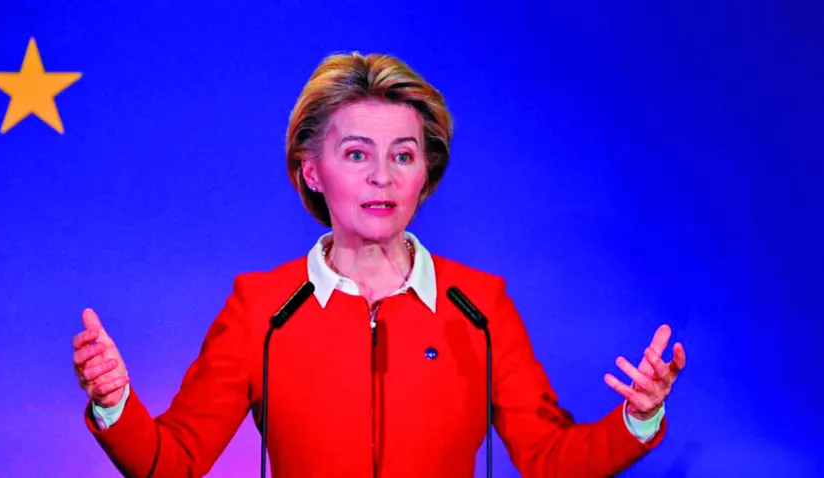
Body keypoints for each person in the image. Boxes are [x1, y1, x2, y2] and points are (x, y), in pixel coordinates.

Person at [71, 52, 687, 477]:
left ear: (425, 173)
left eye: (403, 155)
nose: (382, 177)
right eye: (357, 153)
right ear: (312, 171)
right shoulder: (262, 308)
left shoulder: (480, 305)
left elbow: (549, 459)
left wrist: (637, 418)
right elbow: (174, 461)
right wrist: (115, 402)